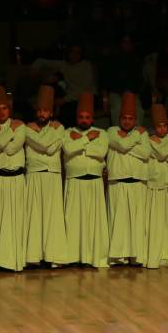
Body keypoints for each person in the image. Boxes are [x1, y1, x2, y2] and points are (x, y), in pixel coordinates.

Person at [24, 85, 70, 267]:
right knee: (34, 216)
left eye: (45, 111)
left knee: (53, 216)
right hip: (35, 174)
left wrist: (44, 141)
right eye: (40, 110)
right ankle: (33, 257)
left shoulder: (60, 128)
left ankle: (53, 256)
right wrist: (47, 141)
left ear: (51, 113)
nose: (42, 114)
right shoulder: (27, 128)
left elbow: (48, 147)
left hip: (52, 174)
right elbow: (47, 146)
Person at [63, 92, 109, 269]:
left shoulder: (102, 133)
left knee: (93, 222)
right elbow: (68, 149)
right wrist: (87, 140)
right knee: (73, 221)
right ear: (77, 117)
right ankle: (73, 256)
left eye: (87, 117)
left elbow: (100, 152)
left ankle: (94, 256)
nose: (84, 120)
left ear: (92, 118)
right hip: (75, 181)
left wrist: (81, 144)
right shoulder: (68, 133)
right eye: (81, 117)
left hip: (94, 182)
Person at [0, 86, 27, 272]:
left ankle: (13, 260)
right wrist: (10, 129)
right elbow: (2, 144)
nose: (1, 113)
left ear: (9, 109)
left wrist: (8, 131)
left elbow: (11, 149)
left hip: (15, 178)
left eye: (4, 108)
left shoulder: (21, 126)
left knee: (14, 221)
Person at [106, 92, 150, 266]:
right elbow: (122, 145)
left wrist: (128, 143)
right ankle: (118, 257)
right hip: (118, 181)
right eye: (124, 118)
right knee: (119, 222)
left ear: (135, 120)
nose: (127, 121)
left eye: (130, 118)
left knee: (136, 223)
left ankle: (135, 256)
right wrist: (135, 139)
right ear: (119, 118)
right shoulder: (111, 131)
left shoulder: (142, 133)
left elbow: (146, 153)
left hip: (137, 181)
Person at [145, 104, 168, 269]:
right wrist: (166, 148)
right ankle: (156, 255)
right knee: (156, 223)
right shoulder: (149, 141)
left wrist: (165, 148)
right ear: (154, 127)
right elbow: (160, 154)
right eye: (159, 126)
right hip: (155, 186)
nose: (162, 129)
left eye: (165, 126)